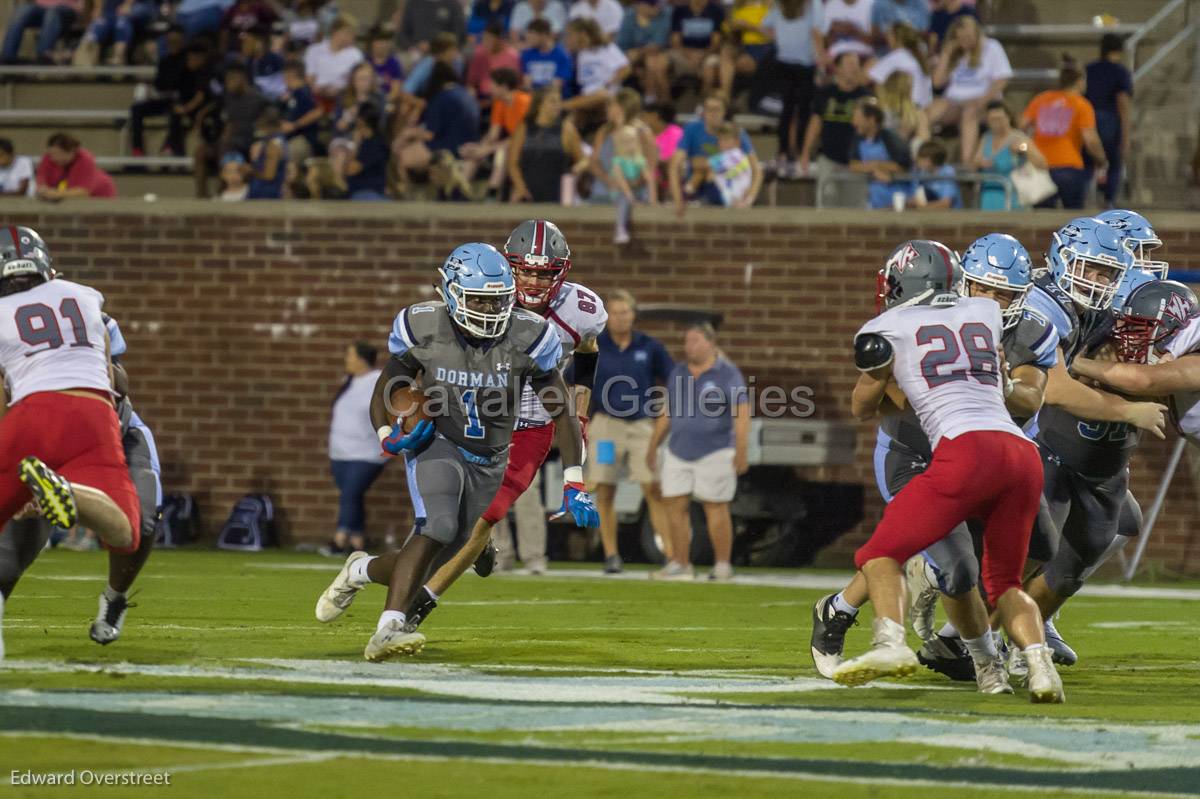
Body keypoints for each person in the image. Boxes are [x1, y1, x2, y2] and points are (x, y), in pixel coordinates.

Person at [312, 243, 593, 661]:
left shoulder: (529, 335)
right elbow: (389, 382)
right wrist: (387, 431)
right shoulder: (423, 324)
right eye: (478, 298)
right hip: (438, 441)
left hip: (491, 457)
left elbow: (561, 412)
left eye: (497, 299)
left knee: (434, 554)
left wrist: (574, 480)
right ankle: (388, 629)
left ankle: (360, 570)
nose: (488, 309)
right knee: (437, 527)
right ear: (451, 291)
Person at [811, 234, 1057, 696]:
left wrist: (998, 383)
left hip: (970, 453)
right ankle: (844, 611)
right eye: (987, 290)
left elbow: (1032, 397)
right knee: (959, 570)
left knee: (1028, 551)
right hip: (932, 454)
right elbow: (870, 404)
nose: (995, 301)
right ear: (964, 283)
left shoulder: (910, 323)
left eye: (1004, 294)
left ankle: (915, 642)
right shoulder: (978, 318)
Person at [389, 221, 607, 629]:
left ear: (561, 271)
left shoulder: (582, 309)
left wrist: (579, 411)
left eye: (544, 272)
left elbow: (588, 354)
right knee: (442, 518)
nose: (534, 280)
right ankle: (461, 550)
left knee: (486, 517)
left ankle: (419, 604)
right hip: (475, 410)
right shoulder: (485, 290)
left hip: (532, 420)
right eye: (525, 270)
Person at [0, 227, 142, 661]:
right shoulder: (85, 296)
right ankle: (69, 492)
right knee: (125, 531)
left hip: (30, 413)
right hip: (93, 413)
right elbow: (108, 373)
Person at [647, 323, 748, 582]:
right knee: (675, 506)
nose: (688, 346)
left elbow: (741, 412)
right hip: (678, 450)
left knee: (715, 507)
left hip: (715, 451)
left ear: (710, 343)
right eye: (687, 341)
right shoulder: (678, 372)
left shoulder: (726, 373)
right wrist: (653, 445)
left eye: (695, 340)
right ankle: (680, 562)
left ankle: (722, 565)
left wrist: (741, 449)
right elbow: (667, 411)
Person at [587, 289, 673, 573]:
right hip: (607, 425)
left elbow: (673, 380)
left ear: (634, 315)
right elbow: (575, 382)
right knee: (605, 487)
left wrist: (665, 412)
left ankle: (670, 554)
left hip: (640, 425)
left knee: (653, 487)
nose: (621, 318)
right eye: (615, 312)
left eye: (626, 312)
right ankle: (611, 554)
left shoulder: (649, 346)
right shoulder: (595, 345)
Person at [325, 342, 387, 556]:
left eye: (350, 355)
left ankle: (339, 539)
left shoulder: (377, 381)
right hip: (341, 452)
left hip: (367, 452)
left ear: (362, 359)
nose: (347, 360)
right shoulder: (348, 381)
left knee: (350, 493)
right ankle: (358, 541)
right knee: (352, 495)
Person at [1022, 61, 1107, 210]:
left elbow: (1021, 127)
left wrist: (1026, 150)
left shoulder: (1041, 99)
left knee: (1041, 218)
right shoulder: (1081, 104)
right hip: (1069, 167)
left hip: (1040, 167)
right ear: (1080, 81)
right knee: (1073, 220)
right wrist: (1101, 159)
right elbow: (1090, 139)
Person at [928, 15, 1011, 163]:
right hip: (955, 102)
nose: (964, 41)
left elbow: (1002, 80)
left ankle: (967, 163)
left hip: (984, 102)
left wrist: (981, 102)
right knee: (927, 113)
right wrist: (946, 55)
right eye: (960, 38)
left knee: (970, 111)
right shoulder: (955, 53)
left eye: (968, 37)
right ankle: (925, 158)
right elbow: (937, 83)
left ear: (977, 34)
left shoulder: (992, 47)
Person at [756, 0, 825, 176]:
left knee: (794, 111)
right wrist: (822, 63)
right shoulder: (786, 4)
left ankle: (789, 153)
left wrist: (782, 36)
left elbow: (765, 28)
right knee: (795, 110)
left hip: (794, 64)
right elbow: (816, 33)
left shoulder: (803, 4)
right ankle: (792, 154)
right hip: (796, 65)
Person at [669, 92, 762, 213]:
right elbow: (674, 165)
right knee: (699, 168)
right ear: (703, 112)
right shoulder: (692, 129)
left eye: (717, 109)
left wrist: (749, 199)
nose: (713, 114)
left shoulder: (736, 132)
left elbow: (756, 169)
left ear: (724, 111)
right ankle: (690, 195)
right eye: (709, 109)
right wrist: (677, 199)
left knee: (703, 166)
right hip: (703, 184)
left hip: (729, 183)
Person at [798, 50, 870, 201]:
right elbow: (815, 123)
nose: (854, 68)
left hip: (857, 162)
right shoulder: (825, 93)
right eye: (849, 64)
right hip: (829, 158)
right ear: (838, 68)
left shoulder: (866, 96)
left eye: (857, 65)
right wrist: (805, 152)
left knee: (856, 208)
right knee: (826, 205)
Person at [131, 39, 210, 158]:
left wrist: (185, 108)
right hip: (169, 101)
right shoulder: (173, 64)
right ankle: (138, 149)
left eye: (191, 58)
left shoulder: (204, 73)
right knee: (137, 108)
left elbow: (200, 96)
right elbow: (161, 85)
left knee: (176, 111)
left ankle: (169, 146)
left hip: (189, 107)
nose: (189, 61)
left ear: (200, 58)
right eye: (188, 58)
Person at [509, 86, 585, 203]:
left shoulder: (566, 129)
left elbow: (583, 160)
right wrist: (520, 188)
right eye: (553, 101)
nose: (558, 105)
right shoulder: (523, 128)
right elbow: (513, 163)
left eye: (559, 102)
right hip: (527, 195)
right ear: (539, 104)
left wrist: (576, 169)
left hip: (557, 196)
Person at [460, 67, 530, 196]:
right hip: (510, 143)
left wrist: (487, 150)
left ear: (503, 87)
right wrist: (478, 148)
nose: (489, 88)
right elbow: (493, 134)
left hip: (528, 144)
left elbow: (522, 138)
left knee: (501, 154)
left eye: (492, 84)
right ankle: (459, 193)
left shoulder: (523, 102)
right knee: (473, 155)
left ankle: (492, 193)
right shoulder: (500, 102)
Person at [1085, 33, 1133, 207]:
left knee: (1088, 160)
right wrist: (1126, 137)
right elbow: (1122, 104)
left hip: (1087, 121)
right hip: (1109, 121)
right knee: (1113, 160)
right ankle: (1109, 200)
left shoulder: (1088, 69)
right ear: (1119, 50)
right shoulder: (1120, 72)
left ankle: (1084, 198)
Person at [972, 100, 1046, 211]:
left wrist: (1022, 148)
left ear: (1008, 117)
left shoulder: (1018, 137)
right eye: (992, 120)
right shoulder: (986, 137)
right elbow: (975, 162)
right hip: (989, 194)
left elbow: (1042, 163)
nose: (996, 123)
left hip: (1013, 195)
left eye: (1000, 119)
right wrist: (982, 163)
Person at [848, 100, 910, 209]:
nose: (853, 123)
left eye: (857, 119)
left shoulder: (890, 139)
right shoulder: (858, 139)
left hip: (898, 200)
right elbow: (853, 165)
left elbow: (902, 166)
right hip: (875, 202)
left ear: (871, 120)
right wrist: (875, 169)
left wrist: (874, 165)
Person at [563, 17, 630, 114]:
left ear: (582, 34)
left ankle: (562, 106)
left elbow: (625, 69)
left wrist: (608, 84)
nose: (568, 39)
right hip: (586, 96)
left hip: (607, 95)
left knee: (601, 95)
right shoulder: (581, 54)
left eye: (570, 35)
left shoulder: (607, 48)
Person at [868, 22, 932, 109]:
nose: (887, 39)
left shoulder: (898, 55)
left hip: (909, 109)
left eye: (889, 35)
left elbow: (869, 79)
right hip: (925, 107)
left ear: (896, 38)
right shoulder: (920, 51)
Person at [617, 0, 671, 104]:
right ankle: (650, 102)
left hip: (662, 55)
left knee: (652, 63)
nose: (657, 8)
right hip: (634, 56)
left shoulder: (665, 13)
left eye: (658, 4)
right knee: (631, 60)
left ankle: (658, 103)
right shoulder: (629, 15)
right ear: (639, 5)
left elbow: (658, 44)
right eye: (652, 5)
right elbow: (622, 45)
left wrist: (639, 52)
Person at [35, 133, 116, 200]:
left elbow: (83, 192)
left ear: (72, 151)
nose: (54, 158)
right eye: (52, 154)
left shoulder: (85, 159)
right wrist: (43, 190)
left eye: (59, 154)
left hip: (100, 196)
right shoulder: (49, 158)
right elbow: (41, 181)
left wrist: (56, 194)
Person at [669, 0, 724, 98]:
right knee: (659, 62)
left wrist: (703, 55)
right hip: (682, 52)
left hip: (708, 53)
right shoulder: (680, 10)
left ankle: (705, 104)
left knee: (709, 69)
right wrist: (688, 53)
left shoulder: (716, 11)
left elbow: (716, 42)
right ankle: (664, 104)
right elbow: (675, 41)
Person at [75, 0, 155, 66]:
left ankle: (118, 57)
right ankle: (84, 60)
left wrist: (127, 4)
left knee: (122, 23)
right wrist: (98, 8)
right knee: (98, 24)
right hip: (111, 8)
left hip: (135, 8)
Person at [304, 16, 364, 102]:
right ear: (335, 32)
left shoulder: (356, 54)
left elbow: (358, 81)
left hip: (343, 98)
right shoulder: (314, 50)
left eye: (353, 34)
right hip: (315, 96)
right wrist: (317, 89)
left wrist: (340, 90)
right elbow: (309, 77)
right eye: (348, 33)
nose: (352, 37)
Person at [1, 0, 81, 64]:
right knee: (22, 10)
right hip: (41, 8)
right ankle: (7, 57)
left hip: (67, 9)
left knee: (52, 12)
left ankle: (43, 58)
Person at [466, 21, 521, 104]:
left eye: (489, 39)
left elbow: (513, 87)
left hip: (502, 99)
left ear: (499, 40)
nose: (485, 42)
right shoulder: (479, 54)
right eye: (483, 38)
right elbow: (471, 82)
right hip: (480, 97)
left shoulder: (512, 56)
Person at [281, 59, 325, 163]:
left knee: (288, 152)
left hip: (304, 139)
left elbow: (318, 111)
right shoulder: (292, 94)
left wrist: (294, 125)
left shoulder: (304, 93)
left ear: (290, 75)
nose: (282, 79)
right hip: (288, 138)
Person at [345, 102, 390, 200]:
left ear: (361, 121)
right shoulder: (373, 142)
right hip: (363, 194)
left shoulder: (373, 145)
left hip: (367, 194)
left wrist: (356, 144)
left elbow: (350, 170)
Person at [521, 18, 573, 93]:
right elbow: (527, 84)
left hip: (556, 99)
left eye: (531, 34)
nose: (527, 38)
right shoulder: (527, 55)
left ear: (544, 35)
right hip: (534, 98)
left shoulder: (562, 55)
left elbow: (557, 85)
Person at [246, 107, 287, 199]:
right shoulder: (272, 141)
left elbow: (269, 175)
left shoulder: (274, 144)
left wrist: (249, 170)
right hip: (261, 191)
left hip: (265, 195)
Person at [909, 139, 960, 209]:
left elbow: (946, 204)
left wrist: (922, 208)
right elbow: (916, 199)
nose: (918, 160)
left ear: (930, 160)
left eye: (923, 158)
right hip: (927, 215)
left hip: (950, 217)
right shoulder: (920, 172)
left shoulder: (947, 172)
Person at [367, 26, 403, 95]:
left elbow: (395, 91)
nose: (383, 45)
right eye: (379, 41)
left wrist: (383, 101)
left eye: (386, 41)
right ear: (372, 43)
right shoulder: (364, 60)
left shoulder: (394, 63)